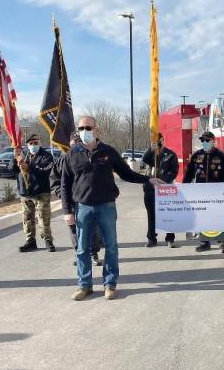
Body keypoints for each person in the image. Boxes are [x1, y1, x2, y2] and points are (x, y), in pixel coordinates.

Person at [61, 116, 164, 301]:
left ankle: (110, 284)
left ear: (96, 130)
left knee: (111, 247)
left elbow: (126, 173)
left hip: (106, 206)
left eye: (88, 127)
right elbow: (65, 184)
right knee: (82, 248)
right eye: (81, 128)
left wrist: (147, 179)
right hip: (83, 208)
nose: (84, 131)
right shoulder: (72, 154)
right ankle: (84, 285)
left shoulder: (107, 151)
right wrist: (67, 210)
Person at [50, 132, 102, 266]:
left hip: (87, 200)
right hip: (71, 201)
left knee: (92, 228)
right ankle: (79, 253)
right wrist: (61, 194)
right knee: (73, 229)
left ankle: (93, 253)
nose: (75, 146)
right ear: (69, 145)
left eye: (78, 143)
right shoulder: (64, 159)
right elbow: (55, 179)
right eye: (73, 144)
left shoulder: (89, 157)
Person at [183, 131, 224, 254]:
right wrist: (183, 188)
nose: (204, 143)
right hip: (201, 194)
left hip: (219, 194)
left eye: (207, 140)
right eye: (202, 140)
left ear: (213, 141)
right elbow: (189, 175)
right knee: (203, 217)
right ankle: (204, 243)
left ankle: (223, 243)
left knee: (220, 217)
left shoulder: (222, 156)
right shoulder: (196, 156)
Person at [14, 134, 55, 252]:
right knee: (27, 218)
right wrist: (14, 159)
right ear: (27, 145)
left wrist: (29, 167)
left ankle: (48, 240)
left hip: (41, 192)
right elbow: (13, 170)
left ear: (40, 143)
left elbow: (45, 171)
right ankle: (30, 241)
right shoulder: (23, 156)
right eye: (31, 143)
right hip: (25, 193)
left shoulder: (46, 156)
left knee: (43, 217)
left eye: (35, 143)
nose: (33, 145)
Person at [142, 133, 179, 248]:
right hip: (149, 189)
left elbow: (174, 171)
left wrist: (162, 182)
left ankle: (170, 238)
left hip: (164, 189)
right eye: (152, 140)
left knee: (167, 213)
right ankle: (151, 238)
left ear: (162, 140)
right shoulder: (149, 154)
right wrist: (150, 149)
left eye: (157, 140)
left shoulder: (170, 154)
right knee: (151, 214)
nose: (155, 142)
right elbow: (144, 159)